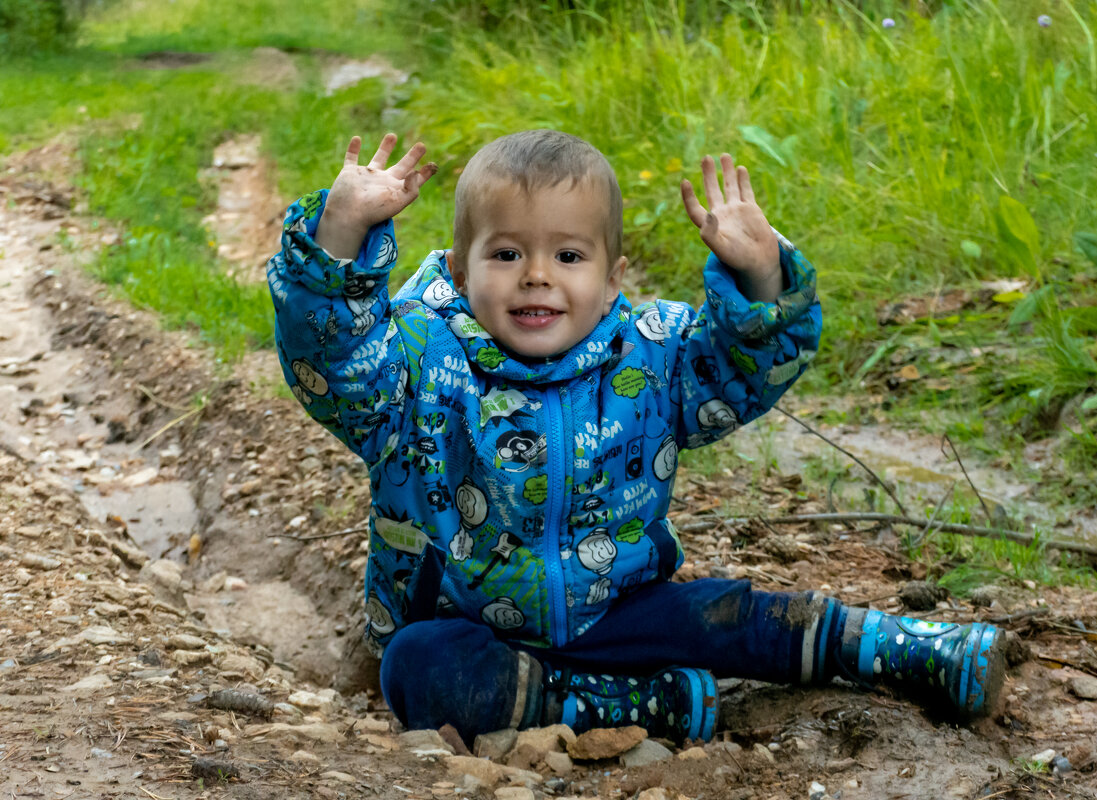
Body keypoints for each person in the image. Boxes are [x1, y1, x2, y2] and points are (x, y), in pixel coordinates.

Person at [268, 129, 1006, 745]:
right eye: (505, 255)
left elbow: (739, 369)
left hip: (622, 608)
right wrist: (339, 235)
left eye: (568, 255)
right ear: (460, 271)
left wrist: (761, 280)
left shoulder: (650, 357)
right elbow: (332, 360)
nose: (535, 277)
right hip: (467, 622)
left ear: (613, 277)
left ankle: (892, 648)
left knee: (732, 615)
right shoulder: (415, 366)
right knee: (415, 668)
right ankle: (627, 708)